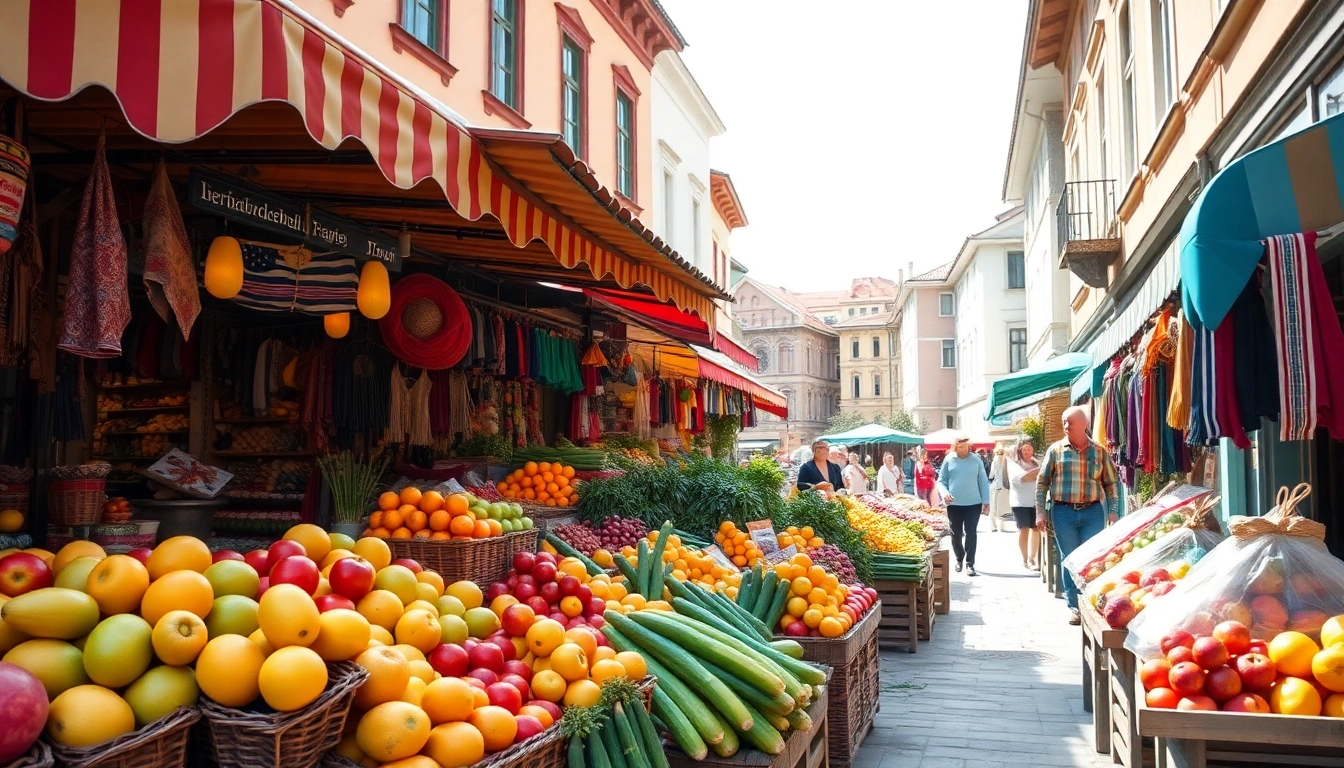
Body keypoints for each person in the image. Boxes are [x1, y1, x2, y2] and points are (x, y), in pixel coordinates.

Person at [1036, 406, 1120, 625]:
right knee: (1071, 559)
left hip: (1092, 511)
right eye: (1064, 422)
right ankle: (1074, 606)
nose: (1065, 426)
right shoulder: (1055, 451)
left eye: (1070, 422)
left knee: (1093, 559)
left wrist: (1113, 511)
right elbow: (1042, 483)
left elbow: (1111, 483)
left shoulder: (1099, 451)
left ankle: (1090, 602)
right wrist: (1040, 513)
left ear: (1084, 424)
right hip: (1063, 512)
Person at [936, 436, 991, 576]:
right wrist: (945, 494)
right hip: (954, 504)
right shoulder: (949, 460)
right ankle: (959, 558)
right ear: (955, 447)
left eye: (964, 445)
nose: (961, 448)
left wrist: (986, 501)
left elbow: (983, 481)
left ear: (969, 446)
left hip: (973, 503)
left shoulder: (976, 459)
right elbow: (941, 481)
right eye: (958, 446)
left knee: (971, 532)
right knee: (956, 533)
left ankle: (970, 564)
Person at [1007, 438, 1042, 570]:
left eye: (1029, 448)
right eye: (1024, 448)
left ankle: (1032, 558)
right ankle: (1024, 558)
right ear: (1020, 450)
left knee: (1036, 529)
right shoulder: (1014, 464)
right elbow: (1024, 478)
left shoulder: (1037, 462)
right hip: (1020, 502)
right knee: (1024, 529)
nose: (1027, 451)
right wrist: (1039, 472)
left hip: (1035, 501)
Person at [987, 446, 1010, 533]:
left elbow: (991, 474)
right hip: (1005, 486)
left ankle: (993, 526)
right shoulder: (1006, 460)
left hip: (996, 486)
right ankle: (1002, 526)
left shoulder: (995, 460)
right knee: (1003, 507)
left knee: (993, 507)